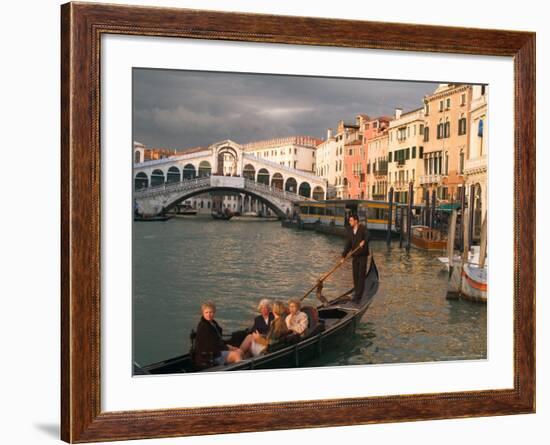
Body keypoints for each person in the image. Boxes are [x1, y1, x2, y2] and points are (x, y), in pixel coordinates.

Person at [193, 301, 242, 367]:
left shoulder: (213, 323)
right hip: (209, 356)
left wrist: (230, 347)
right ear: (203, 313)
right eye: (206, 312)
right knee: (236, 355)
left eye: (211, 312)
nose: (209, 315)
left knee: (240, 351)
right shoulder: (204, 327)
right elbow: (212, 346)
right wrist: (227, 348)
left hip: (215, 352)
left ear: (214, 312)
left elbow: (218, 339)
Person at [341, 214, 369, 304]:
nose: (349, 222)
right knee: (355, 275)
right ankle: (357, 292)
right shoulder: (350, 231)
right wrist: (343, 256)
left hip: (363, 256)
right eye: (349, 221)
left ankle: (359, 296)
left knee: (361, 276)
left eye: (351, 220)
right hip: (355, 256)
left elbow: (369, 236)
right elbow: (348, 244)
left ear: (356, 221)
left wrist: (364, 241)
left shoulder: (363, 228)